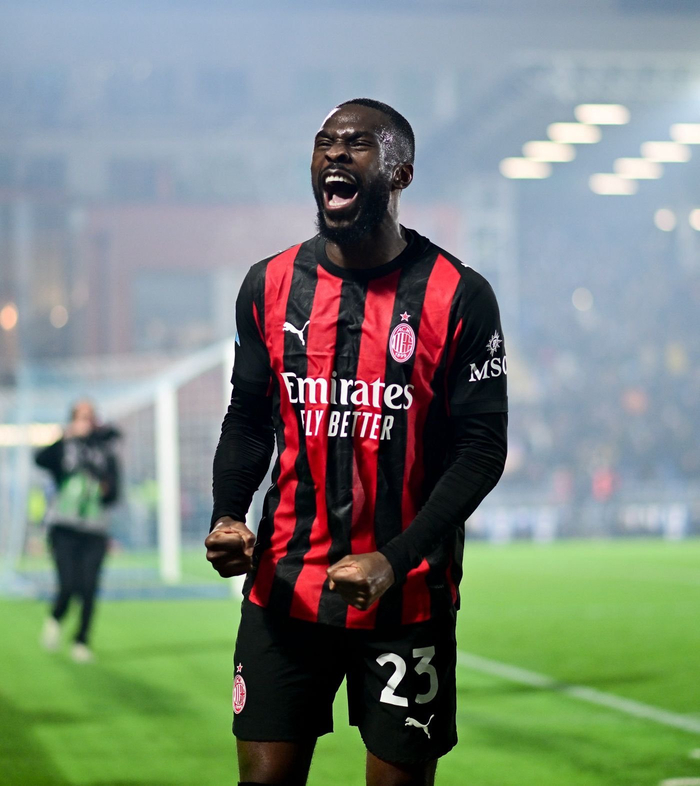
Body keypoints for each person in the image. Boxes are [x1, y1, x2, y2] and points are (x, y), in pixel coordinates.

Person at [205, 98, 508, 786]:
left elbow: (482, 450)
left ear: (400, 173)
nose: (336, 152)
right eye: (325, 142)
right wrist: (228, 512)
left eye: (359, 143)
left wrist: (393, 560)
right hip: (284, 591)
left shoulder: (459, 295)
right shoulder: (269, 285)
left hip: (407, 600)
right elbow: (248, 418)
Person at [36, 400, 121, 663]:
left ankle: (81, 641)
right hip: (64, 528)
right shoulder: (64, 447)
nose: (86, 421)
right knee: (68, 585)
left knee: (89, 588)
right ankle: (56, 617)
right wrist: (66, 436)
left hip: (95, 530)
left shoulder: (106, 452)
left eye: (89, 416)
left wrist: (106, 489)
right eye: (80, 416)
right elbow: (40, 459)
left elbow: (115, 493)